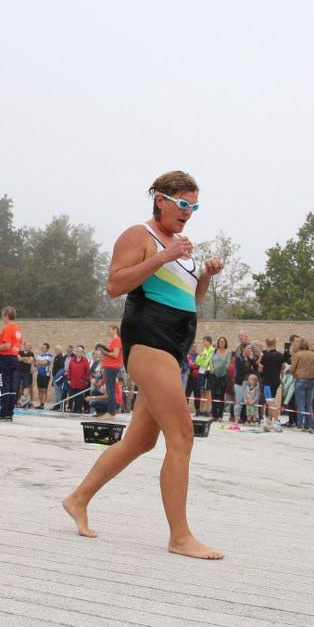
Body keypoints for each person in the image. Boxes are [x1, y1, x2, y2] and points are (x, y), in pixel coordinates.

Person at [62, 169, 224, 560]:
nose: (189, 212)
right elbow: (115, 284)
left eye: (194, 206)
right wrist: (165, 255)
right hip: (149, 340)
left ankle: (78, 498)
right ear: (160, 199)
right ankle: (180, 536)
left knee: (141, 439)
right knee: (182, 437)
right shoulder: (140, 235)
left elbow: (191, 301)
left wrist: (203, 275)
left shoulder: (179, 245)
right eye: (183, 204)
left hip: (173, 345)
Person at [0, 306, 23, 422]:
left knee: (2, 385)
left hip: (5, 359)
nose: (1, 318)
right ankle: (9, 412)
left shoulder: (8, 328)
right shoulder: (17, 329)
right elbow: (15, 345)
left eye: (2, 316)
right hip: (13, 358)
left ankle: (3, 413)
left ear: (6, 316)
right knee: (11, 387)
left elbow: (7, 345)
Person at [290, 338, 314, 431]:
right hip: (311, 380)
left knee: (300, 403)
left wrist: (294, 375)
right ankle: (308, 425)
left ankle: (299, 425)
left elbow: (292, 368)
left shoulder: (298, 355)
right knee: (308, 404)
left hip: (300, 379)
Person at [98, 324, 123, 417]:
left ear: (115, 329)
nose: (108, 331)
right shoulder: (114, 341)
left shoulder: (117, 340)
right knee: (110, 390)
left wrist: (104, 352)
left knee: (110, 391)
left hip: (112, 367)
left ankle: (110, 412)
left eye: (109, 329)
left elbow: (116, 354)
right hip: (109, 367)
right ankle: (110, 412)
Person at [259, 337, 283, 432]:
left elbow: (260, 369)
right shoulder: (280, 355)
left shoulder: (265, 356)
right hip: (276, 380)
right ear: (275, 343)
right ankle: (269, 420)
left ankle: (277, 422)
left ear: (266, 344)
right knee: (271, 399)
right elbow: (281, 366)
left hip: (267, 381)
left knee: (270, 401)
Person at [210, 336, 232, 420]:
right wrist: (212, 368)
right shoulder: (214, 351)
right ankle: (213, 414)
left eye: (223, 341)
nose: (221, 343)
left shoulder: (228, 352)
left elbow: (227, 364)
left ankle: (220, 415)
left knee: (221, 396)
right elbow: (211, 361)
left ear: (225, 343)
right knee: (214, 395)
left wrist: (219, 370)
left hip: (222, 376)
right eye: (220, 341)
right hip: (214, 375)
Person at [66, 345, 90, 413]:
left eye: (80, 352)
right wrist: (68, 379)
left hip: (81, 382)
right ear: (75, 352)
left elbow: (87, 371)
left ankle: (78, 409)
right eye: (77, 351)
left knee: (79, 397)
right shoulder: (72, 360)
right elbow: (69, 370)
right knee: (72, 395)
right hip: (73, 382)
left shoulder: (85, 360)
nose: (78, 353)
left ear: (82, 352)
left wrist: (86, 380)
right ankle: (73, 409)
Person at [196, 336, 215, 416]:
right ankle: (201, 409)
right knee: (202, 391)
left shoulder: (212, 350)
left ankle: (207, 410)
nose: (203, 343)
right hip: (201, 371)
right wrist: (200, 356)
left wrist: (202, 362)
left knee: (207, 391)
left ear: (209, 342)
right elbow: (197, 361)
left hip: (207, 372)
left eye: (204, 341)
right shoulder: (204, 350)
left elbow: (209, 360)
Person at [35, 342, 53, 409]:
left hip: (46, 375)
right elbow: (35, 364)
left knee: (44, 389)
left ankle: (43, 404)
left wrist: (39, 363)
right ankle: (40, 403)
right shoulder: (40, 356)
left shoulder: (49, 355)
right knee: (39, 389)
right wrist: (39, 363)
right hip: (39, 374)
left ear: (47, 348)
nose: (42, 348)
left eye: (44, 347)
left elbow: (46, 363)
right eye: (42, 347)